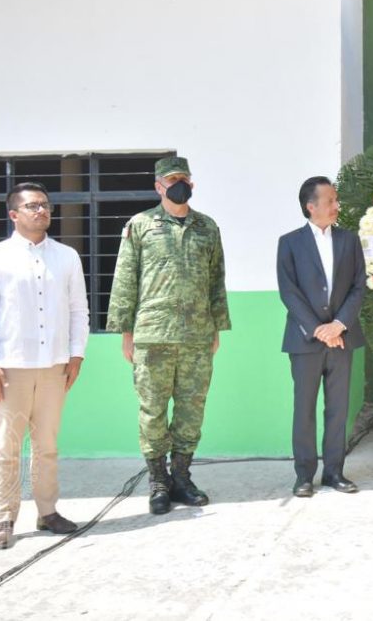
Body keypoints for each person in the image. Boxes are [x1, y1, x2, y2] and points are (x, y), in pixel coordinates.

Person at [107, 156, 231, 514]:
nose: (180, 185)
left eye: (185, 179)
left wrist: (217, 326)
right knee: (152, 410)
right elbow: (125, 279)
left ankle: (182, 476)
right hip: (152, 335)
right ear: (158, 186)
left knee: (192, 410)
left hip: (196, 335)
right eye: (172, 179)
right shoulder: (140, 225)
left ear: (192, 184)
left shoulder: (207, 227)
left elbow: (215, 280)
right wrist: (125, 332)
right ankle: (158, 480)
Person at [0, 182, 89, 549]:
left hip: (54, 367)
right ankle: (4, 518)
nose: (42, 211)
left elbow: (78, 310)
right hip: (11, 369)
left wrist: (76, 354)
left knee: (47, 444)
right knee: (7, 445)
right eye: (33, 206)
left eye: (46, 205)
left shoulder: (67, 257)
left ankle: (48, 512)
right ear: (14, 214)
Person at [277, 176, 366, 497]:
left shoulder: (349, 240)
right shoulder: (289, 243)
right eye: (330, 201)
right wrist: (319, 329)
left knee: (338, 409)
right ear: (310, 206)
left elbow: (359, 287)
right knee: (304, 409)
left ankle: (334, 472)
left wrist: (339, 324)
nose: (336, 206)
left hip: (342, 338)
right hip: (305, 342)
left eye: (336, 200)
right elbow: (289, 292)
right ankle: (304, 475)